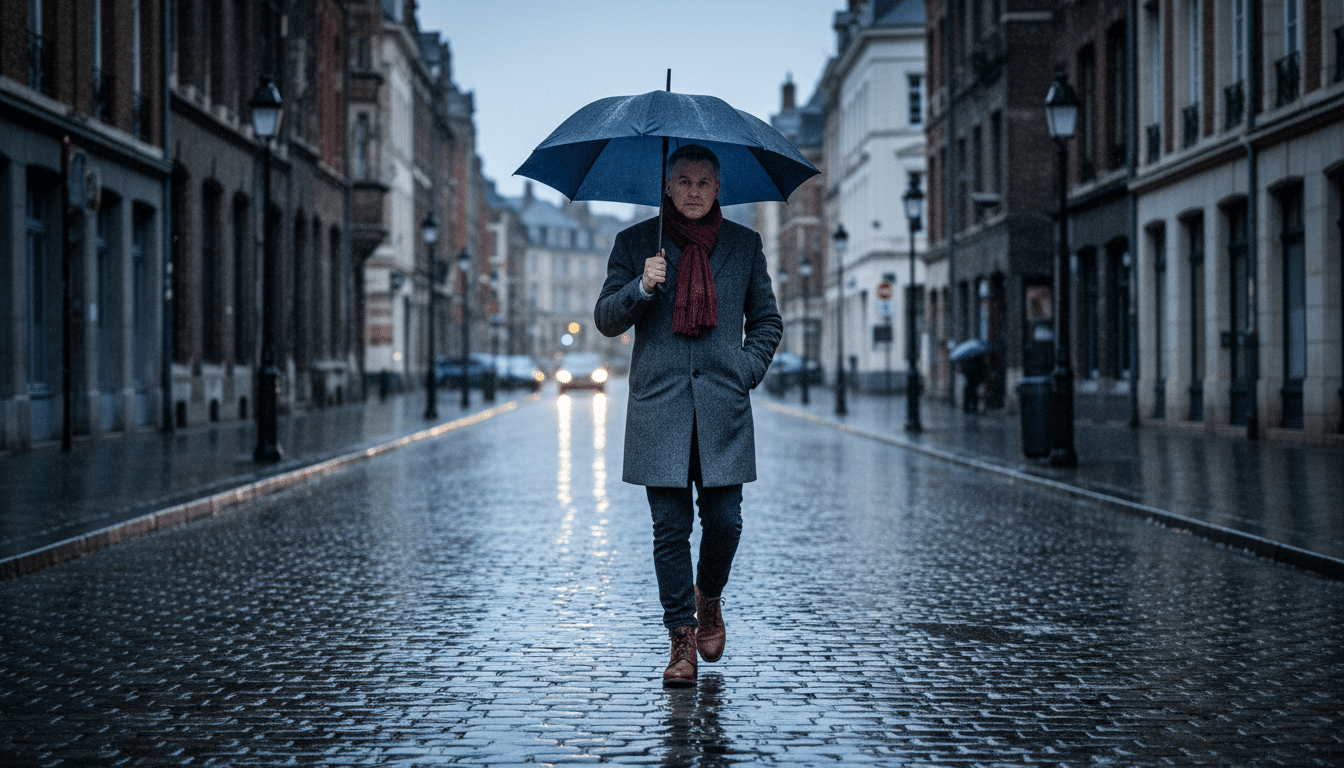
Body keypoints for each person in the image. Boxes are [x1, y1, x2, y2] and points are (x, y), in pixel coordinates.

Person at [594, 144, 782, 687]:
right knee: (670, 530)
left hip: (724, 408)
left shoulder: (744, 245)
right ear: (667, 187)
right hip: (660, 409)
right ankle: (681, 639)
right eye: (684, 181)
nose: (694, 192)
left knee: (726, 523)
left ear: (718, 188)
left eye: (704, 183)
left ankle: (709, 598)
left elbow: (767, 321)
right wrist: (641, 287)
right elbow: (606, 319)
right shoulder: (635, 243)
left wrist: (744, 370)